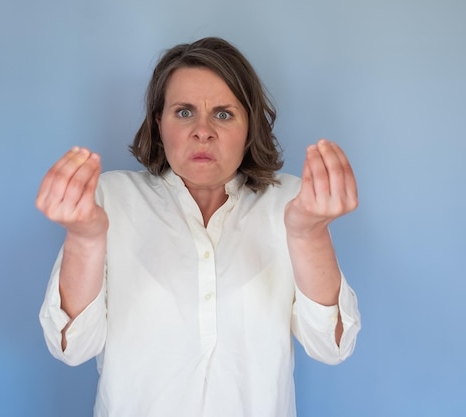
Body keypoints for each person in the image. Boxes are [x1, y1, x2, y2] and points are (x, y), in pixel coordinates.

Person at [37, 36, 361, 417]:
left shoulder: (292, 202)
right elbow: (71, 347)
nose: (202, 131)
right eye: (184, 112)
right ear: (159, 123)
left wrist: (309, 234)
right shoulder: (111, 198)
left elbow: (332, 346)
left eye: (223, 114)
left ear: (249, 127)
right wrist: (84, 238)